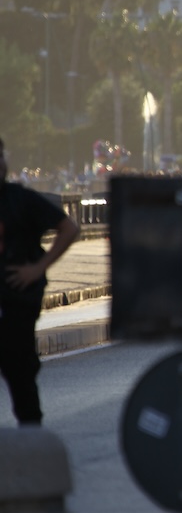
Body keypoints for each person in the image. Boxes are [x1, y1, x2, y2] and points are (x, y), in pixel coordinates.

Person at [0, 137, 79, 426]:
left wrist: (37, 268)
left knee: (20, 374)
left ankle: (32, 440)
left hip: (16, 301)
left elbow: (69, 227)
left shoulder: (20, 200)